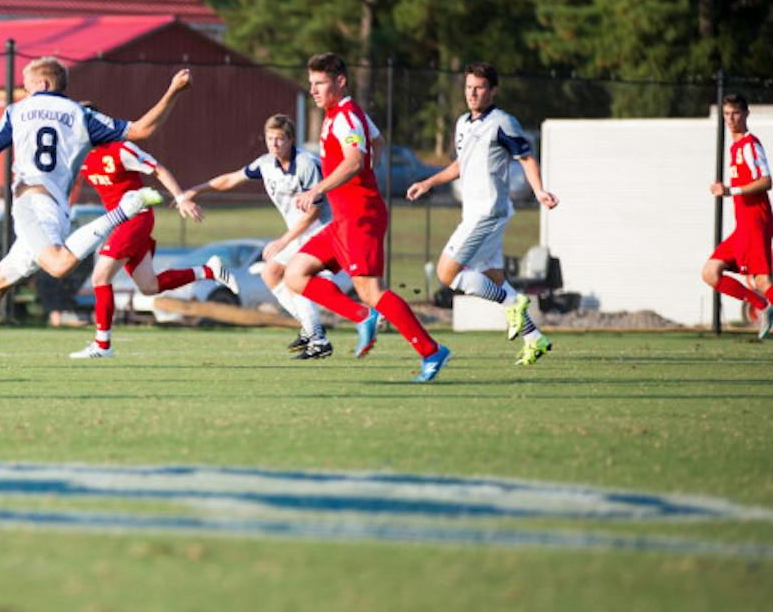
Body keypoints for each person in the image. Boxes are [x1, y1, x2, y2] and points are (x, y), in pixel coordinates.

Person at [0, 58, 192, 369]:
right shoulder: (82, 115)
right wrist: (174, 90)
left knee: (58, 265)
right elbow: (141, 129)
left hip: (32, 203)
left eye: (25, 83)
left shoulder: (16, 111)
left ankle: (121, 212)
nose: (23, 89)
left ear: (42, 84)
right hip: (54, 210)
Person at [285, 53, 452, 382]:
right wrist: (365, 166)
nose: (313, 90)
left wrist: (318, 189)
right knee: (294, 274)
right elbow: (377, 142)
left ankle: (431, 351)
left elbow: (353, 160)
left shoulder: (347, 117)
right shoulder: (340, 115)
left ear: (340, 82)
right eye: (311, 83)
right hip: (343, 220)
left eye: (320, 83)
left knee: (372, 291)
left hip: (361, 217)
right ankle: (362, 318)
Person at [406, 62, 560, 365]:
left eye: (479, 88)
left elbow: (526, 159)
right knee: (493, 277)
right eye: (468, 87)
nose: (472, 93)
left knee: (447, 274)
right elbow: (460, 166)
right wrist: (427, 183)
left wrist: (540, 191)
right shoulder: (463, 123)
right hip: (475, 212)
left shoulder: (502, 122)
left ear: (493, 90)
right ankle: (534, 338)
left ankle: (514, 303)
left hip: (488, 212)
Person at [183, 113, 343, 359]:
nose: (274, 144)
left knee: (291, 276)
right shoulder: (265, 164)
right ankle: (311, 330)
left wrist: (283, 241)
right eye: (270, 139)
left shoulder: (307, 164)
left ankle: (317, 336)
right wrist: (196, 190)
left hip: (321, 230)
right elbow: (230, 179)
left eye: (279, 139)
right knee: (272, 273)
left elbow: (314, 211)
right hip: (298, 233)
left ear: (291, 140)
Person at [73, 137, 235, 358]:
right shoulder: (79, 155)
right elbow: (73, 183)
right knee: (149, 286)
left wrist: (181, 199)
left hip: (136, 218)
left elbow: (158, 168)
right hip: (119, 222)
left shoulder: (121, 150)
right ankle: (208, 270)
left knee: (100, 277)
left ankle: (102, 345)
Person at [702, 93, 773, 338]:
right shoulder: (735, 148)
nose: (731, 119)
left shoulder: (751, 145)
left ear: (746, 114)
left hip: (755, 221)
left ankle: (764, 305)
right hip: (742, 225)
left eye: (736, 113)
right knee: (710, 272)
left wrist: (731, 190)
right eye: (727, 114)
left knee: (763, 280)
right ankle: (763, 305)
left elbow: (766, 181)